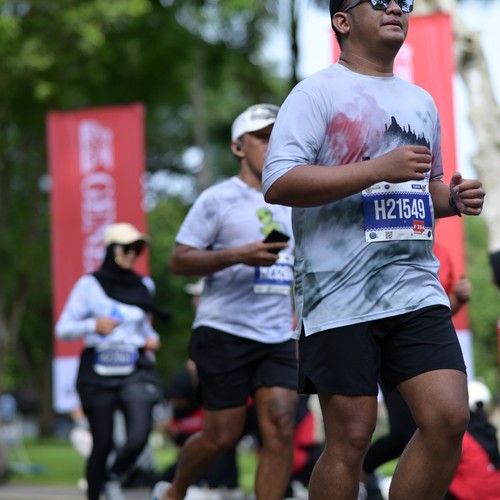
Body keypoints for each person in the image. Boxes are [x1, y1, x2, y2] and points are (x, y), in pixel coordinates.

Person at [261, 1, 486, 499]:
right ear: (342, 21)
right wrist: (377, 168)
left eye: (404, 1)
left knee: (448, 417)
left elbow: (423, 188)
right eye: (378, 0)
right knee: (351, 438)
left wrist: (452, 199)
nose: (395, 7)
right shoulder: (315, 93)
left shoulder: (421, 101)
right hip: (338, 293)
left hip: (415, 287)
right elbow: (278, 181)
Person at [152, 104, 299, 500]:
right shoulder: (217, 199)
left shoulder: (295, 200)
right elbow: (179, 261)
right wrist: (238, 255)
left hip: (276, 335)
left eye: (278, 137)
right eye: (262, 137)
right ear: (238, 147)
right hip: (223, 330)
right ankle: (175, 490)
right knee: (222, 435)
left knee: (281, 423)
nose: (272, 144)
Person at [56, 222, 170, 500]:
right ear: (111, 250)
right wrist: (92, 325)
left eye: (137, 249)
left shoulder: (144, 285)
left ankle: (112, 476)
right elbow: (63, 328)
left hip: (135, 369)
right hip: (98, 371)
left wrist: (152, 338)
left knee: (139, 436)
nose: (132, 254)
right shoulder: (89, 285)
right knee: (103, 441)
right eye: (126, 248)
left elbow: (144, 327)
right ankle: (96, 492)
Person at [362, 241, 473, 499]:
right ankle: (362, 474)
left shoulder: (441, 250)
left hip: (423, 339)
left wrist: (458, 298)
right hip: (382, 330)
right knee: (396, 432)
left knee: (448, 422)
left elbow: (440, 307)